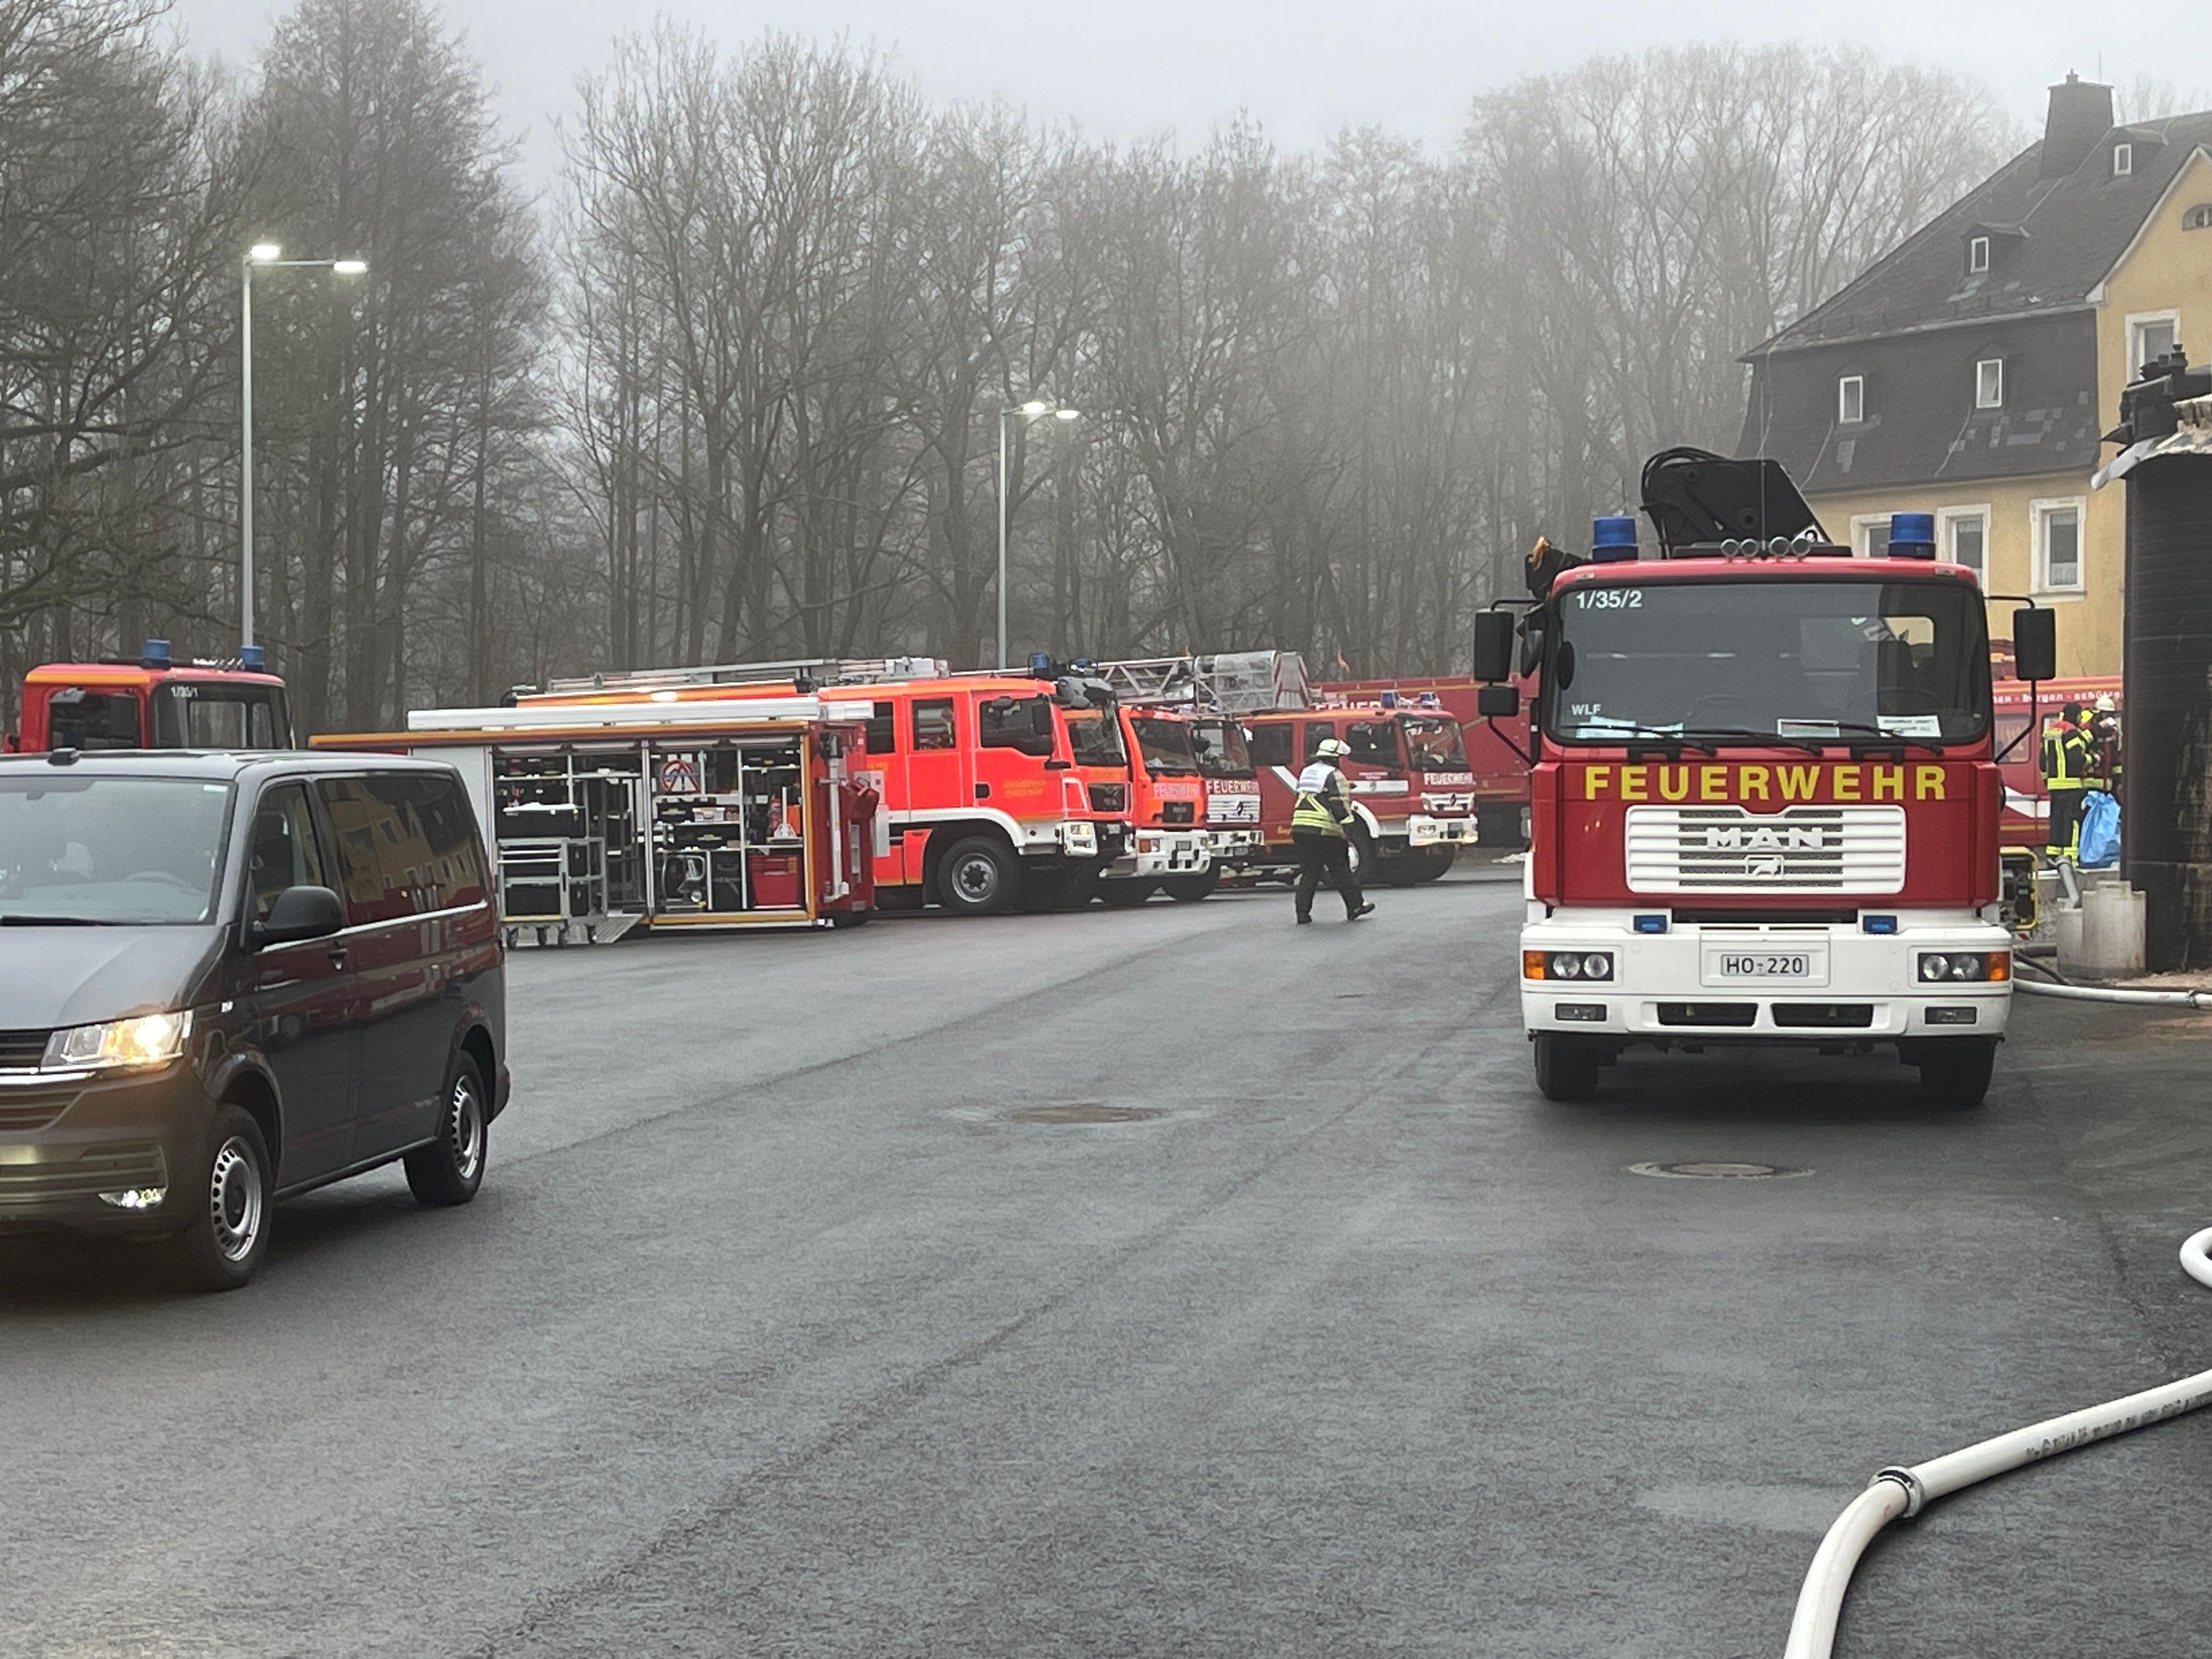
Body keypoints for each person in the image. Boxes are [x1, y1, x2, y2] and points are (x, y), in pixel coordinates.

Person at [1291, 737, 1375, 925]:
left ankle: (1302, 913)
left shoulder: (1307, 772)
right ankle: (1356, 906)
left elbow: (1313, 794)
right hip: (1325, 831)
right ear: (1335, 758)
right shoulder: (1335, 774)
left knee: (1310, 872)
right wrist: (1348, 827)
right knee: (1341, 870)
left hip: (1301, 829)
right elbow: (1338, 803)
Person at [2040, 702, 2091, 861]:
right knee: (2072, 822)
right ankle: (2070, 857)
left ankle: (2053, 855)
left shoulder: (2050, 731)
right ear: (2075, 715)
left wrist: (2047, 781)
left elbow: (2043, 761)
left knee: (2057, 822)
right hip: (2071, 785)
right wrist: (2091, 759)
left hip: (2055, 787)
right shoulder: (2072, 732)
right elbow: (2076, 759)